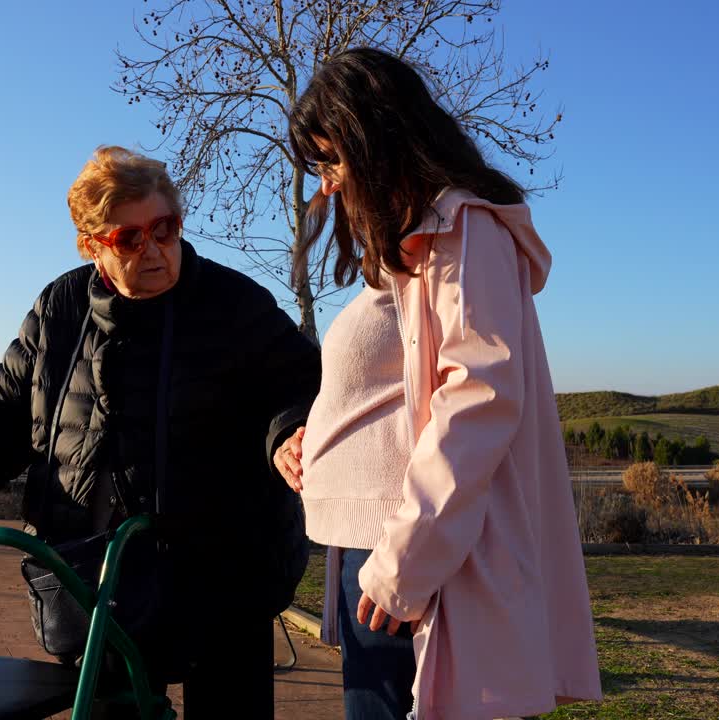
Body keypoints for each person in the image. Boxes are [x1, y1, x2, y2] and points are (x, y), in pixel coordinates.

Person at [0, 146, 321, 718]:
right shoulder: (59, 307)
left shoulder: (235, 304)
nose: (156, 249)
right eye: (130, 239)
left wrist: (290, 432)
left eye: (166, 228)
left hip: (225, 573)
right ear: (92, 246)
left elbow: (297, 384)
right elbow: (3, 417)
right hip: (97, 574)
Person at [272, 48, 602, 720]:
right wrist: (310, 437)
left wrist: (405, 563)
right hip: (375, 546)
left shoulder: (464, 227)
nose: (329, 184)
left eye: (333, 160)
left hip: (411, 551)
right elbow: (398, 389)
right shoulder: (417, 243)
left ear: (375, 137)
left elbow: (477, 399)